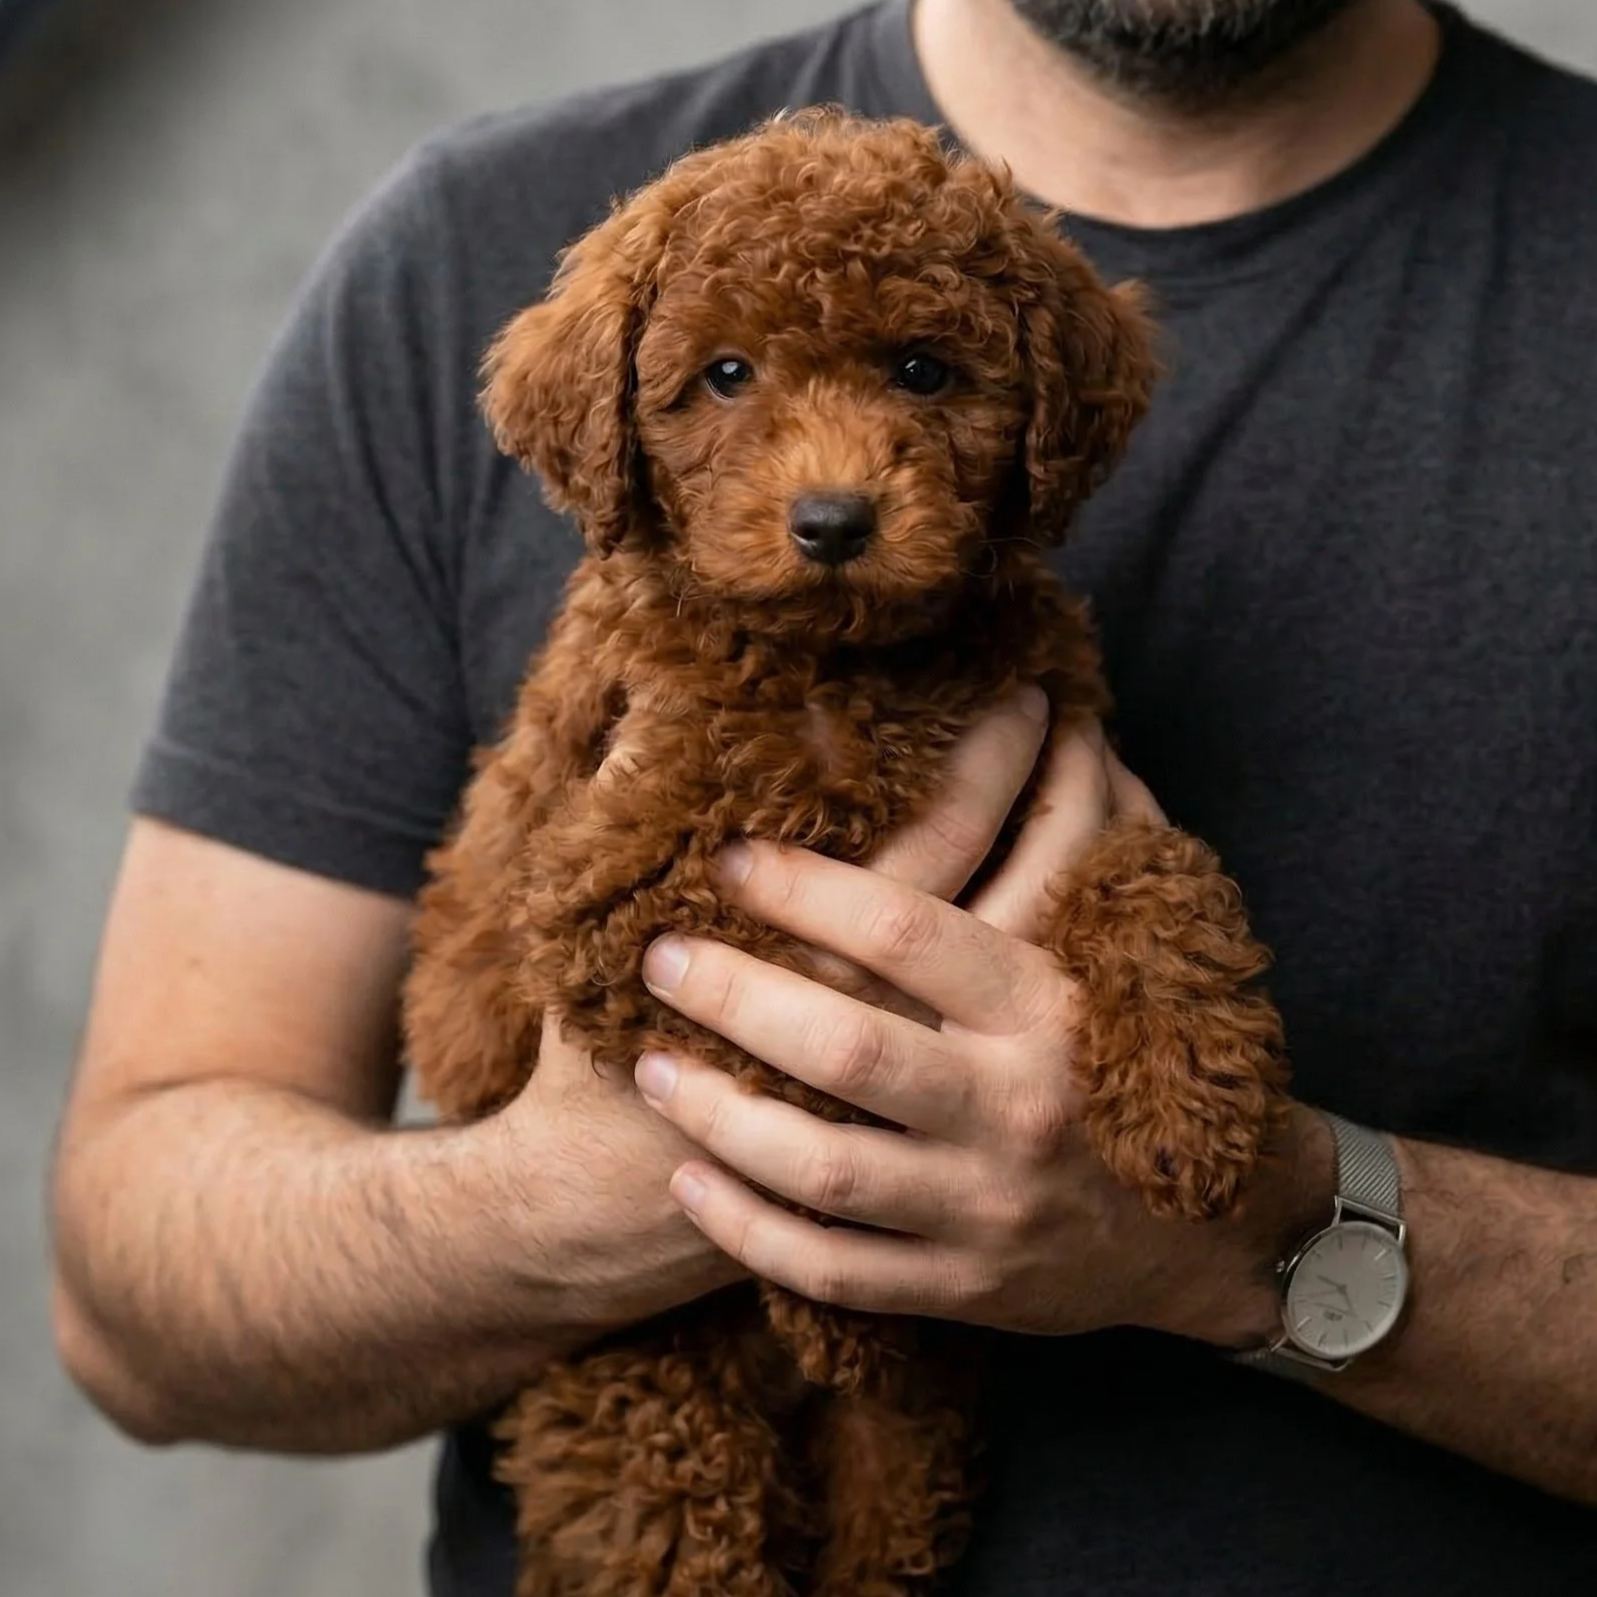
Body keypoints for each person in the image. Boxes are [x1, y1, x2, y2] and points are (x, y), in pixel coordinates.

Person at [48, 0, 1597, 1592]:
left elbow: (1140, 943)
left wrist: (1279, 1232)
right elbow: (131, 1299)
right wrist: (575, 1200)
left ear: (1046, 425)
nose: (834, 472)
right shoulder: (463, 248)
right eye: (723, 383)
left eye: (925, 374)